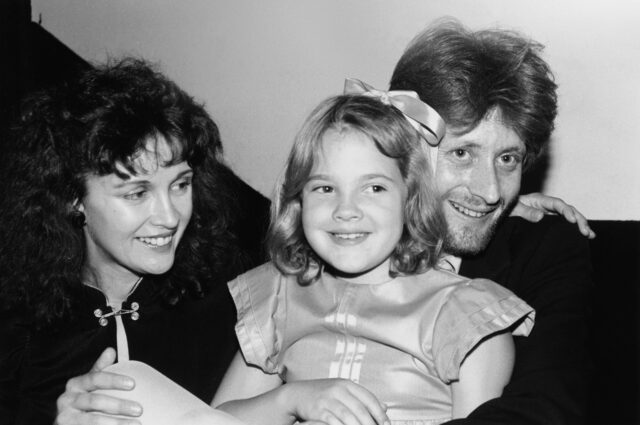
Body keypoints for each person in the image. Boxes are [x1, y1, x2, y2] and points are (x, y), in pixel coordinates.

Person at [211, 92, 536, 425]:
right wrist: (289, 400)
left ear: (410, 197)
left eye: (375, 188)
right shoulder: (280, 298)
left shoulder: (465, 315)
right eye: (324, 188)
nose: (346, 210)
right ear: (298, 201)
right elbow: (205, 421)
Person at [0, 58, 263, 425]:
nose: (169, 217)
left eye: (180, 184)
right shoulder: (19, 335)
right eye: (137, 193)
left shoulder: (234, 299)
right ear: (72, 197)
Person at [388, 19, 594, 424]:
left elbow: (546, 409)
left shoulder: (546, 249)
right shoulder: (351, 231)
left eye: (507, 159)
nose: (491, 192)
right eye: (462, 153)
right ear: (405, 148)